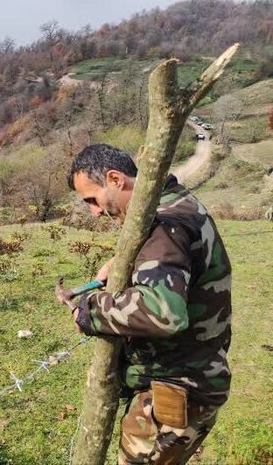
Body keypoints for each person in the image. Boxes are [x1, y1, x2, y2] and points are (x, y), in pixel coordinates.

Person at [56, 144, 232, 465]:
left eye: (92, 200)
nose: (94, 212)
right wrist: (130, 264)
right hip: (196, 379)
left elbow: (164, 312)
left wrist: (91, 311)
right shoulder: (177, 201)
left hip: (177, 391)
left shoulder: (163, 227)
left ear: (115, 179)